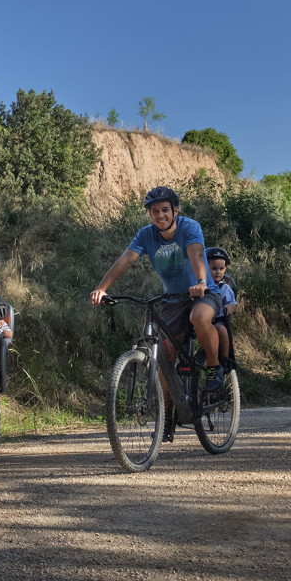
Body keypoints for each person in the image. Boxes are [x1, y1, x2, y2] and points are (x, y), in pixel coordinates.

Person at [89, 186, 224, 442]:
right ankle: (166, 416)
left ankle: (214, 369)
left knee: (199, 316)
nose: (160, 215)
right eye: (154, 211)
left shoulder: (189, 227)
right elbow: (125, 259)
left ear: (175, 210)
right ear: (149, 214)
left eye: (164, 210)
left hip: (203, 291)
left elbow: (196, 254)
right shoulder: (146, 235)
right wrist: (102, 288)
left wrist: (200, 280)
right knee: (165, 358)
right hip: (172, 299)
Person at [206, 246, 237, 370]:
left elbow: (233, 304)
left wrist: (229, 307)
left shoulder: (224, 288)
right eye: (213, 268)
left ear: (225, 269)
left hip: (217, 320)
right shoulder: (200, 286)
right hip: (201, 321)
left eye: (221, 268)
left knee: (222, 330)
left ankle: (224, 360)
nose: (218, 272)